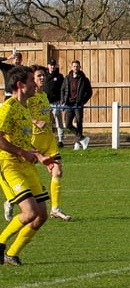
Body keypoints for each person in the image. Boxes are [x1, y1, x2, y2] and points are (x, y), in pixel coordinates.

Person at [0, 65, 53, 266]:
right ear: (21, 85)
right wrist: (21, 153)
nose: (35, 85)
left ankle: (11, 254)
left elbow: (22, 140)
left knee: (41, 216)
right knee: (30, 212)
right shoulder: (8, 108)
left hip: (27, 166)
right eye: (32, 81)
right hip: (9, 165)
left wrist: (39, 156)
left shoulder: (24, 108)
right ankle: (0, 242)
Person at [27, 65, 71, 221]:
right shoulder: (28, 97)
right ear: (32, 78)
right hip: (33, 141)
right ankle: (12, 200)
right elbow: (22, 115)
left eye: (43, 76)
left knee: (58, 171)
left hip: (48, 140)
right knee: (26, 177)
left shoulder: (44, 95)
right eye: (39, 76)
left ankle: (55, 208)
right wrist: (35, 121)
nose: (42, 78)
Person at [61, 59, 93, 150]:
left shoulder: (84, 79)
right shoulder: (67, 78)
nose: (75, 68)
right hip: (69, 104)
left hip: (78, 104)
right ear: (72, 67)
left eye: (77, 66)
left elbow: (89, 92)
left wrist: (83, 101)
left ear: (80, 67)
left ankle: (77, 143)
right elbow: (62, 90)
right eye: (74, 66)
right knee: (68, 124)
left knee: (79, 123)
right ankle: (83, 138)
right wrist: (63, 100)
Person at [45, 58, 66, 148]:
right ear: (48, 66)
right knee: (47, 122)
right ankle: (49, 140)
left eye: (53, 65)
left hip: (56, 102)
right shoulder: (44, 76)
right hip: (46, 102)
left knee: (58, 120)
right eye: (51, 65)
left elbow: (64, 89)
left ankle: (60, 140)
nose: (52, 67)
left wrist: (62, 100)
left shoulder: (59, 76)